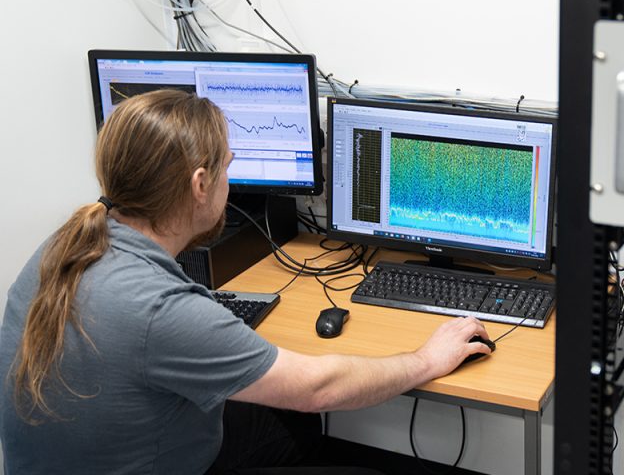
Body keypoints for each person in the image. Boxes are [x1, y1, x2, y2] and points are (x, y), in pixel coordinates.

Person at [0, 90, 493, 474]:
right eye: (228, 167)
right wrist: (428, 359)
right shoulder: (159, 310)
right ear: (199, 185)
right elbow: (318, 387)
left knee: (289, 423)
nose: (229, 181)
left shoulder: (65, 246)